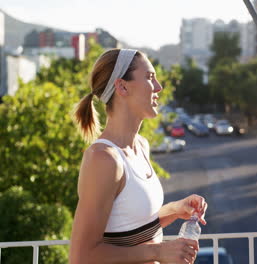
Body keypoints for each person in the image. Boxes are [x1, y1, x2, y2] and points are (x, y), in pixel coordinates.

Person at [69, 48, 208, 264]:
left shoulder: (141, 146)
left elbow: (129, 227)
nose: (159, 87)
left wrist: (175, 209)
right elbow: (81, 257)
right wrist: (158, 252)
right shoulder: (103, 158)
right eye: (150, 77)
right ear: (122, 86)